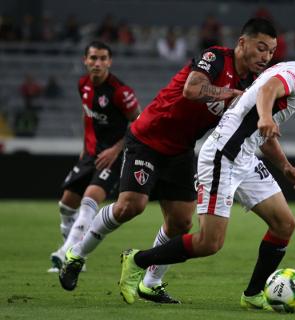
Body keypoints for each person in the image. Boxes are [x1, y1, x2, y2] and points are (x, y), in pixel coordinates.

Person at [118, 31, 295, 308]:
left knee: (284, 224)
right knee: (209, 243)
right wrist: (265, 116)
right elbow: (267, 91)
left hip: (245, 157)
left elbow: (261, 132)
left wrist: (286, 166)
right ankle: (136, 260)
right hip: (223, 156)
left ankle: (252, 295)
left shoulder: (294, 75)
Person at [58, 18, 278, 304]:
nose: (265, 56)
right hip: (148, 138)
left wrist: (283, 163)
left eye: (271, 52)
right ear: (242, 43)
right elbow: (191, 89)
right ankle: (77, 254)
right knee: (130, 206)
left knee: (181, 222)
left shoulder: (252, 85)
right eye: (261, 48)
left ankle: (151, 282)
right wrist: (229, 94)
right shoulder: (215, 58)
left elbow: (258, 125)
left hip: (181, 150)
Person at [49, 41, 140, 272]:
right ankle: (75, 253)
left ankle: (66, 254)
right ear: (85, 60)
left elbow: (138, 123)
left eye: (102, 58)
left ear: (109, 62)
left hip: (114, 155)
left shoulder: (121, 92)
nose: (97, 63)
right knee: (66, 205)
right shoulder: (83, 85)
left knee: (90, 199)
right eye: (93, 58)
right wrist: (84, 147)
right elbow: (86, 115)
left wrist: (116, 149)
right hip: (91, 153)